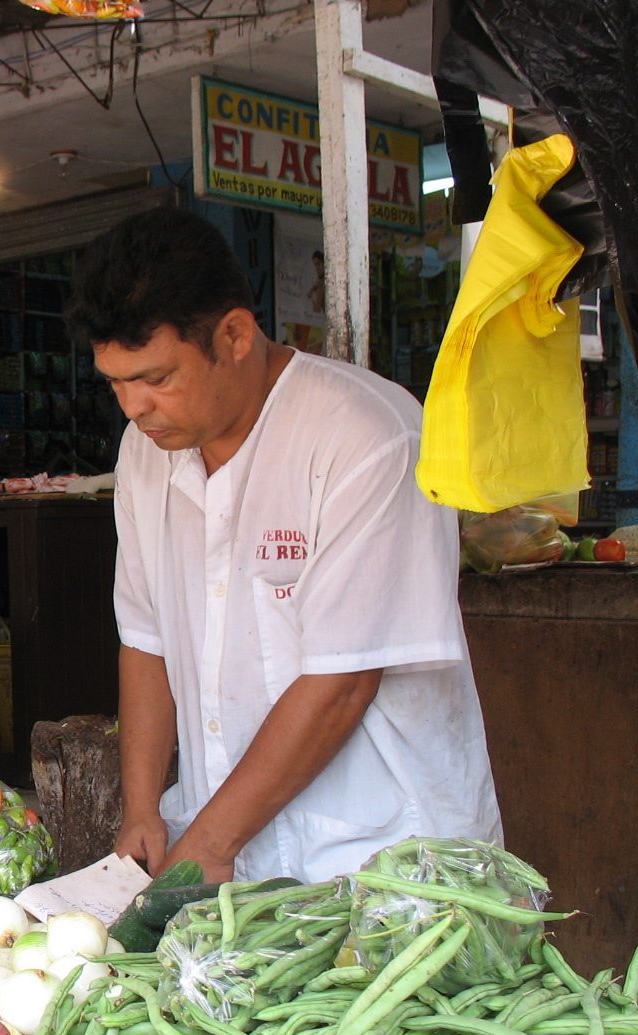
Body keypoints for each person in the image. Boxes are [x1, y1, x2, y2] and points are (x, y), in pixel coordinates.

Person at [68, 209, 500, 884]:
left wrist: (209, 844)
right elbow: (147, 639)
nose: (134, 407)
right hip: (228, 852)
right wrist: (144, 808)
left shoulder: (367, 435)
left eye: (156, 378)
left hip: (379, 857)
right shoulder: (145, 455)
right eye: (116, 382)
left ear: (235, 335)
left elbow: (343, 679)